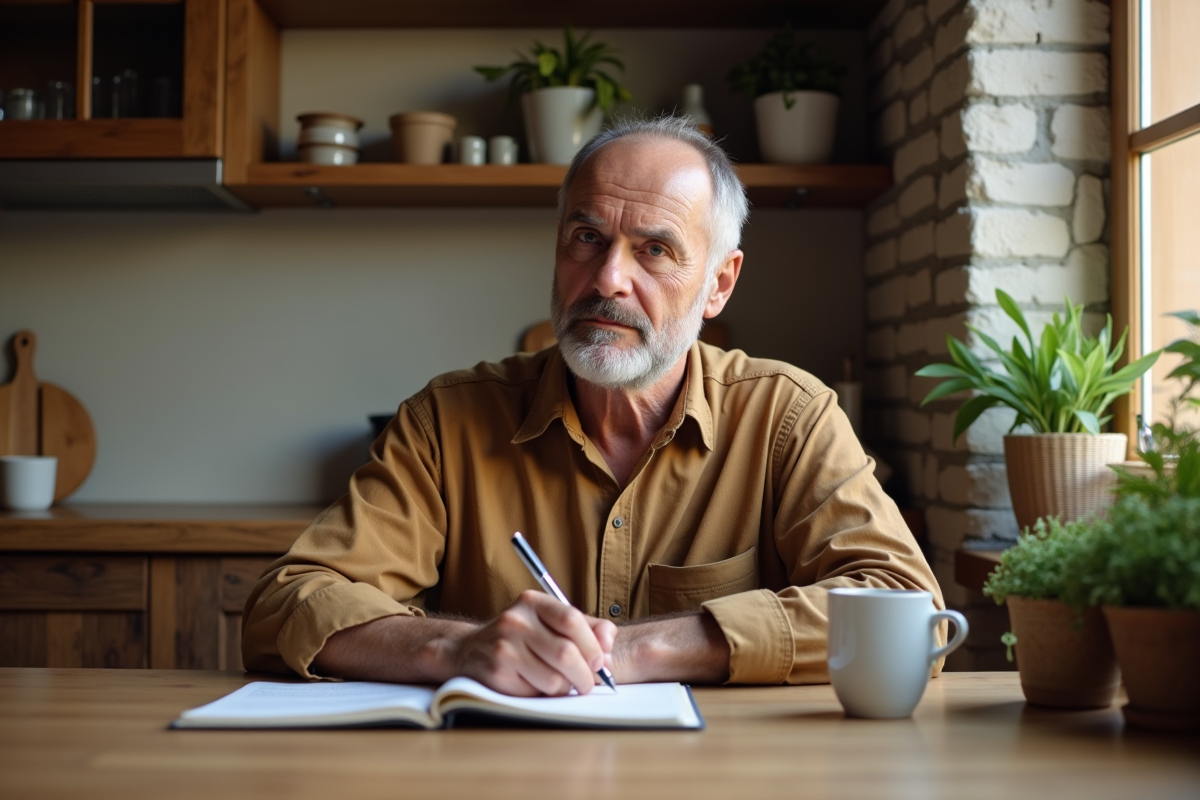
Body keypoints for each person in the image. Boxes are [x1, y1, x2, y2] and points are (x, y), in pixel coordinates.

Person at [242, 116, 944, 696]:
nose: (608, 278)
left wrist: (641, 649)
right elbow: (284, 603)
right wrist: (458, 649)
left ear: (719, 284)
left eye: (655, 249)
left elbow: (911, 613)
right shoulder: (446, 421)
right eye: (587, 238)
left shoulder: (788, 417)